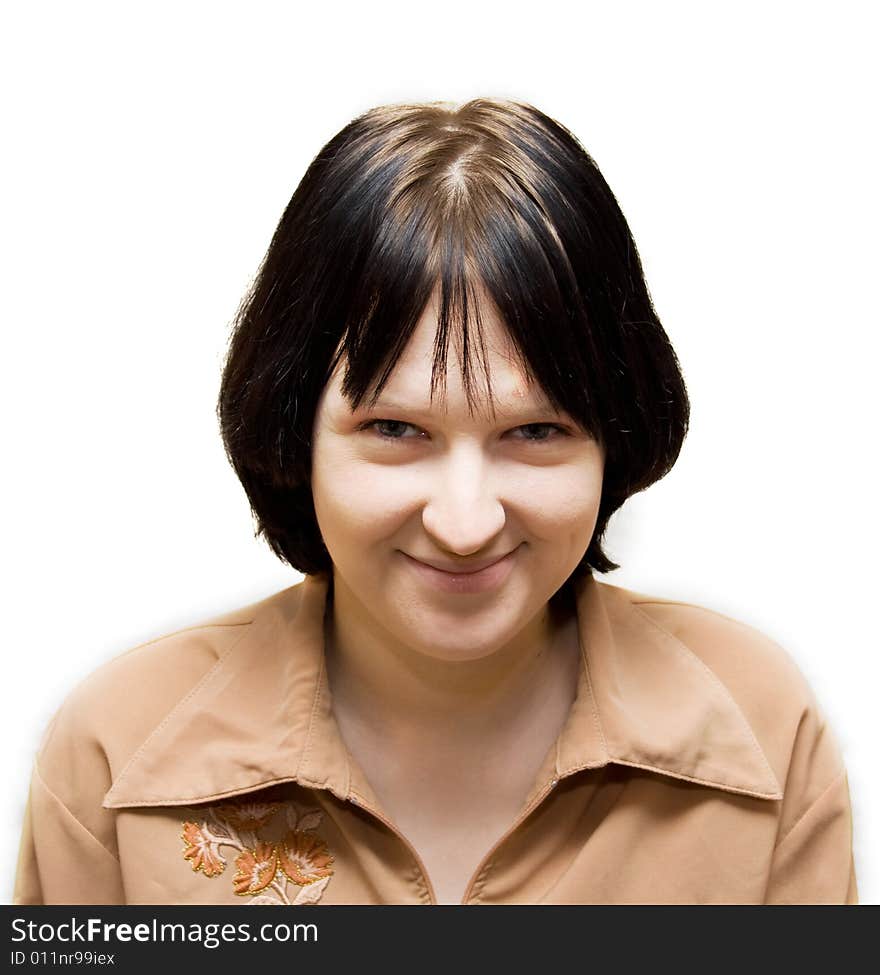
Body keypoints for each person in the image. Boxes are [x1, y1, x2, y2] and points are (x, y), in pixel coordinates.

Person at [13, 98, 857, 905]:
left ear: (618, 432)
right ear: (292, 427)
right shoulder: (116, 749)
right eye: (395, 429)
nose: (464, 523)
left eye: (534, 432)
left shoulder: (758, 726)